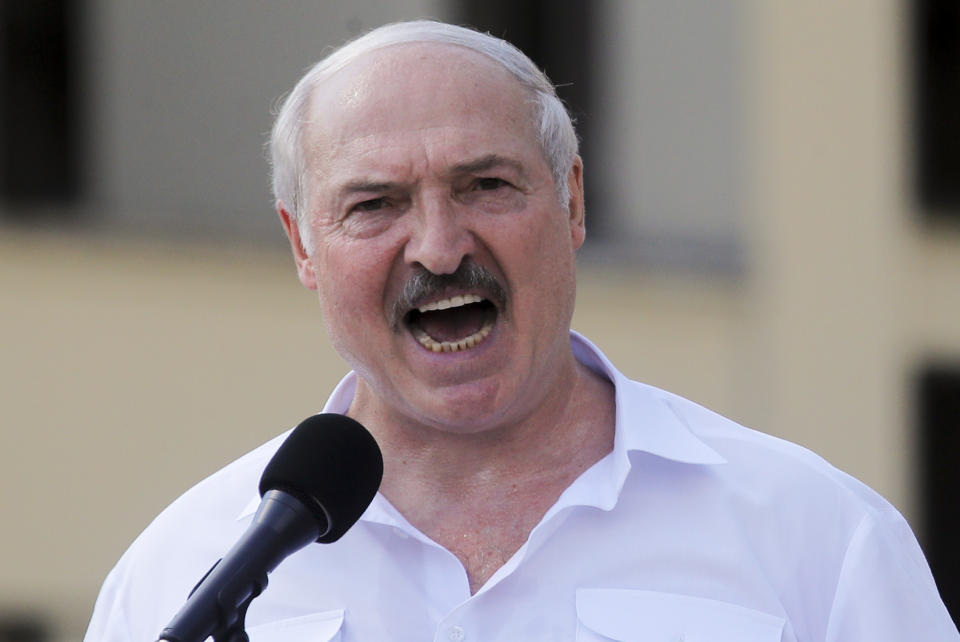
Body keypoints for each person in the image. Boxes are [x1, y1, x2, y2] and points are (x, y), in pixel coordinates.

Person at [84, 20, 958, 642]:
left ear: (572, 200)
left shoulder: (814, 534)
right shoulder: (186, 568)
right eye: (374, 204)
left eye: (486, 185)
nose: (437, 245)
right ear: (303, 245)